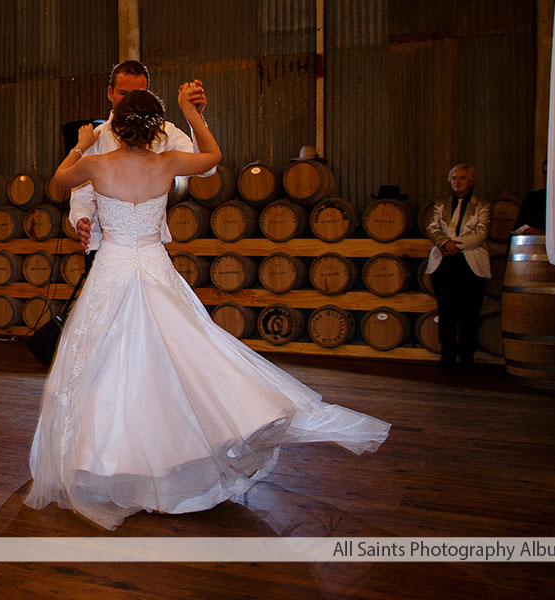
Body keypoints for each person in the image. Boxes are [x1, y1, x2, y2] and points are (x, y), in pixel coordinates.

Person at [23, 85, 390, 530]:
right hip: (153, 265)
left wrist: (81, 144)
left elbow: (60, 179)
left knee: (109, 364)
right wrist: (191, 113)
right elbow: (212, 156)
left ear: (116, 127)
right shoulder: (167, 163)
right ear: (155, 129)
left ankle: (115, 462)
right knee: (181, 355)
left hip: (113, 269)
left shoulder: (96, 164)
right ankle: (177, 453)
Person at [69, 60, 214, 252]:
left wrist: (195, 117)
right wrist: (81, 217)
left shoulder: (165, 132)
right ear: (110, 93)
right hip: (103, 246)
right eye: (124, 94)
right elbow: (81, 190)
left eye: (138, 94)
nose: (131, 102)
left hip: (151, 248)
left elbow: (207, 168)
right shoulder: (96, 137)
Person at [425, 164, 491, 368]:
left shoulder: (482, 205)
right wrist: (445, 244)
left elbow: (481, 232)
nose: (457, 181)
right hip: (443, 262)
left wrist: (456, 246)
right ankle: (447, 355)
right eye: (454, 178)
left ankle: (467, 356)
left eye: (462, 178)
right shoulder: (441, 204)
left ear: (471, 181)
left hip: (470, 262)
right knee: (446, 311)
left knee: (469, 312)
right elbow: (432, 227)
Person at [512, 159, 547, 235]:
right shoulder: (532, 198)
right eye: (545, 173)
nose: (547, 177)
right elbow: (518, 227)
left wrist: (542, 232)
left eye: (550, 173)